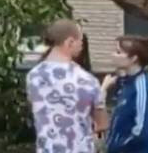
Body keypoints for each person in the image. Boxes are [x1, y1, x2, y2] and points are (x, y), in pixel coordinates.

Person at [26, 19, 109, 153]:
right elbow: (102, 123)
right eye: (80, 41)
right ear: (69, 42)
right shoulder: (87, 80)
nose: (82, 46)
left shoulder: (33, 76)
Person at [103, 36, 148, 153]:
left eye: (118, 52)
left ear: (134, 58)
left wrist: (117, 146)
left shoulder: (142, 87)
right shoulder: (126, 83)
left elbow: (142, 129)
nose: (113, 55)